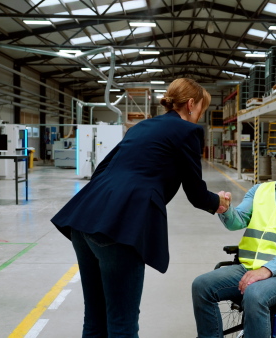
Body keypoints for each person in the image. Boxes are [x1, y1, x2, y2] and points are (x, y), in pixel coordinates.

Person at [51, 78, 230, 337]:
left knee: (95, 316)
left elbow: (101, 170)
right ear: (191, 104)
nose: (200, 114)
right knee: (123, 321)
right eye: (202, 108)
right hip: (120, 226)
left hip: (84, 217)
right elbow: (196, 194)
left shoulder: (141, 127)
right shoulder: (187, 132)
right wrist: (220, 204)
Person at [192, 134, 276, 338]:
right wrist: (225, 209)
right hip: (248, 267)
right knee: (202, 285)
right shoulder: (258, 190)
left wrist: (266, 270)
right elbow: (237, 221)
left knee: (255, 293)